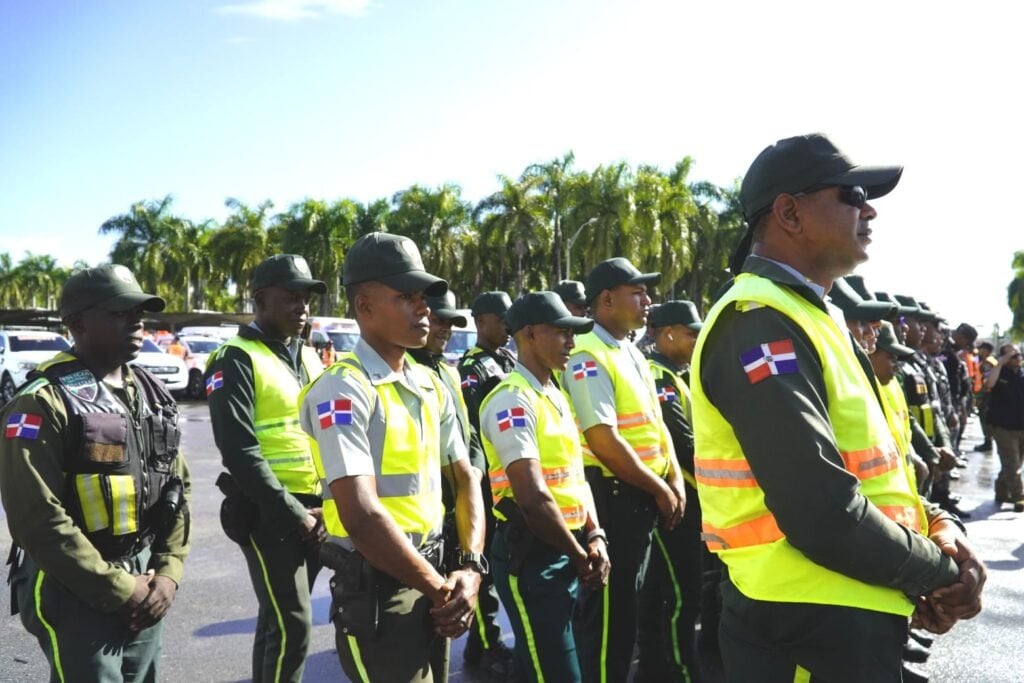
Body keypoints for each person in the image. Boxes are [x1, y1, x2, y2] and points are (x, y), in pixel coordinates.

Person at [693, 133, 985, 682]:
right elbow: (820, 509)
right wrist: (937, 570)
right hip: (802, 622)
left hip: (842, 612)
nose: (869, 209)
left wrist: (938, 524)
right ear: (789, 213)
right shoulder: (758, 319)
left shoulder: (814, 316)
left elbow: (877, 470)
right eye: (851, 195)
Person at [299, 232, 485, 683]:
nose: (423, 308)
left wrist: (469, 568)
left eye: (423, 297)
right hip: (384, 589)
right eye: (406, 297)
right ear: (364, 307)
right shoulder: (343, 389)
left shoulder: (430, 384)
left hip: (436, 577)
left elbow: (465, 481)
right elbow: (361, 514)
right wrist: (442, 588)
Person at [0, 264, 191, 681]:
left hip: (145, 575)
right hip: (72, 582)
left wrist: (168, 573)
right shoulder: (42, 402)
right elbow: (36, 517)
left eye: (140, 311)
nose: (137, 320)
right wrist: (121, 589)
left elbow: (177, 487)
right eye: (120, 312)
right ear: (77, 323)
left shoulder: (150, 395)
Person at [561, 257, 687, 683]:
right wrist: (661, 487)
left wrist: (671, 479)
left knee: (630, 614)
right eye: (638, 292)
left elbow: (655, 423)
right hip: (614, 498)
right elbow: (604, 441)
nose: (648, 300)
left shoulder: (630, 351)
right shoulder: (587, 353)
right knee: (609, 625)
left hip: (641, 496)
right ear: (607, 300)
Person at [205, 254, 328, 683]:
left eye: (306, 299)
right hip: (270, 512)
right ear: (259, 301)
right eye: (291, 298)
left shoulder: (309, 357)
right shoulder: (234, 357)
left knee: (278, 619)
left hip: (316, 508)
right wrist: (294, 513)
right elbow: (238, 450)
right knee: (293, 623)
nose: (303, 307)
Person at [480, 291, 609, 682]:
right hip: (534, 557)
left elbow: (575, 477)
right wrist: (578, 554)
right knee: (556, 672)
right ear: (530, 335)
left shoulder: (554, 395)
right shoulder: (512, 401)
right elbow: (533, 497)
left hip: (566, 551)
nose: (572, 342)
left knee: (537, 665)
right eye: (562, 332)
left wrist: (595, 534)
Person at [637, 300, 705, 683]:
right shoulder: (657, 376)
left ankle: (658, 667)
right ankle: (682, 670)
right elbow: (683, 443)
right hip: (675, 498)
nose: (697, 339)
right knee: (682, 593)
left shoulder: (679, 373)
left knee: (667, 591)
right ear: (668, 333)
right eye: (692, 332)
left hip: (689, 495)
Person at [407, 292, 490, 573]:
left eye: (450, 323)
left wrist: (474, 473)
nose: (445, 329)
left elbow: (470, 430)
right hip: (430, 503)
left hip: (464, 495)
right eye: (437, 320)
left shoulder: (448, 371)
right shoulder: (405, 368)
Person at [458, 290, 517, 674]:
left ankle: (479, 648)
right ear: (481, 321)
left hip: (507, 475)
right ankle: (489, 642)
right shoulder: (471, 367)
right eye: (502, 319)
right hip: (485, 480)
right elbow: (475, 426)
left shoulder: (507, 359)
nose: (508, 326)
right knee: (486, 570)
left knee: (498, 564)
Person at [984, 344, 1024, 512]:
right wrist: (1000, 363)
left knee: (1013, 463)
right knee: (1012, 463)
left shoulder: (1022, 374)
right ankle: (1019, 496)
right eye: (1012, 355)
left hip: (1021, 425)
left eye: (1019, 355)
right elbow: (989, 384)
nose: (1017, 358)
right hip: (1003, 426)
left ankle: (1001, 490)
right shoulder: (999, 372)